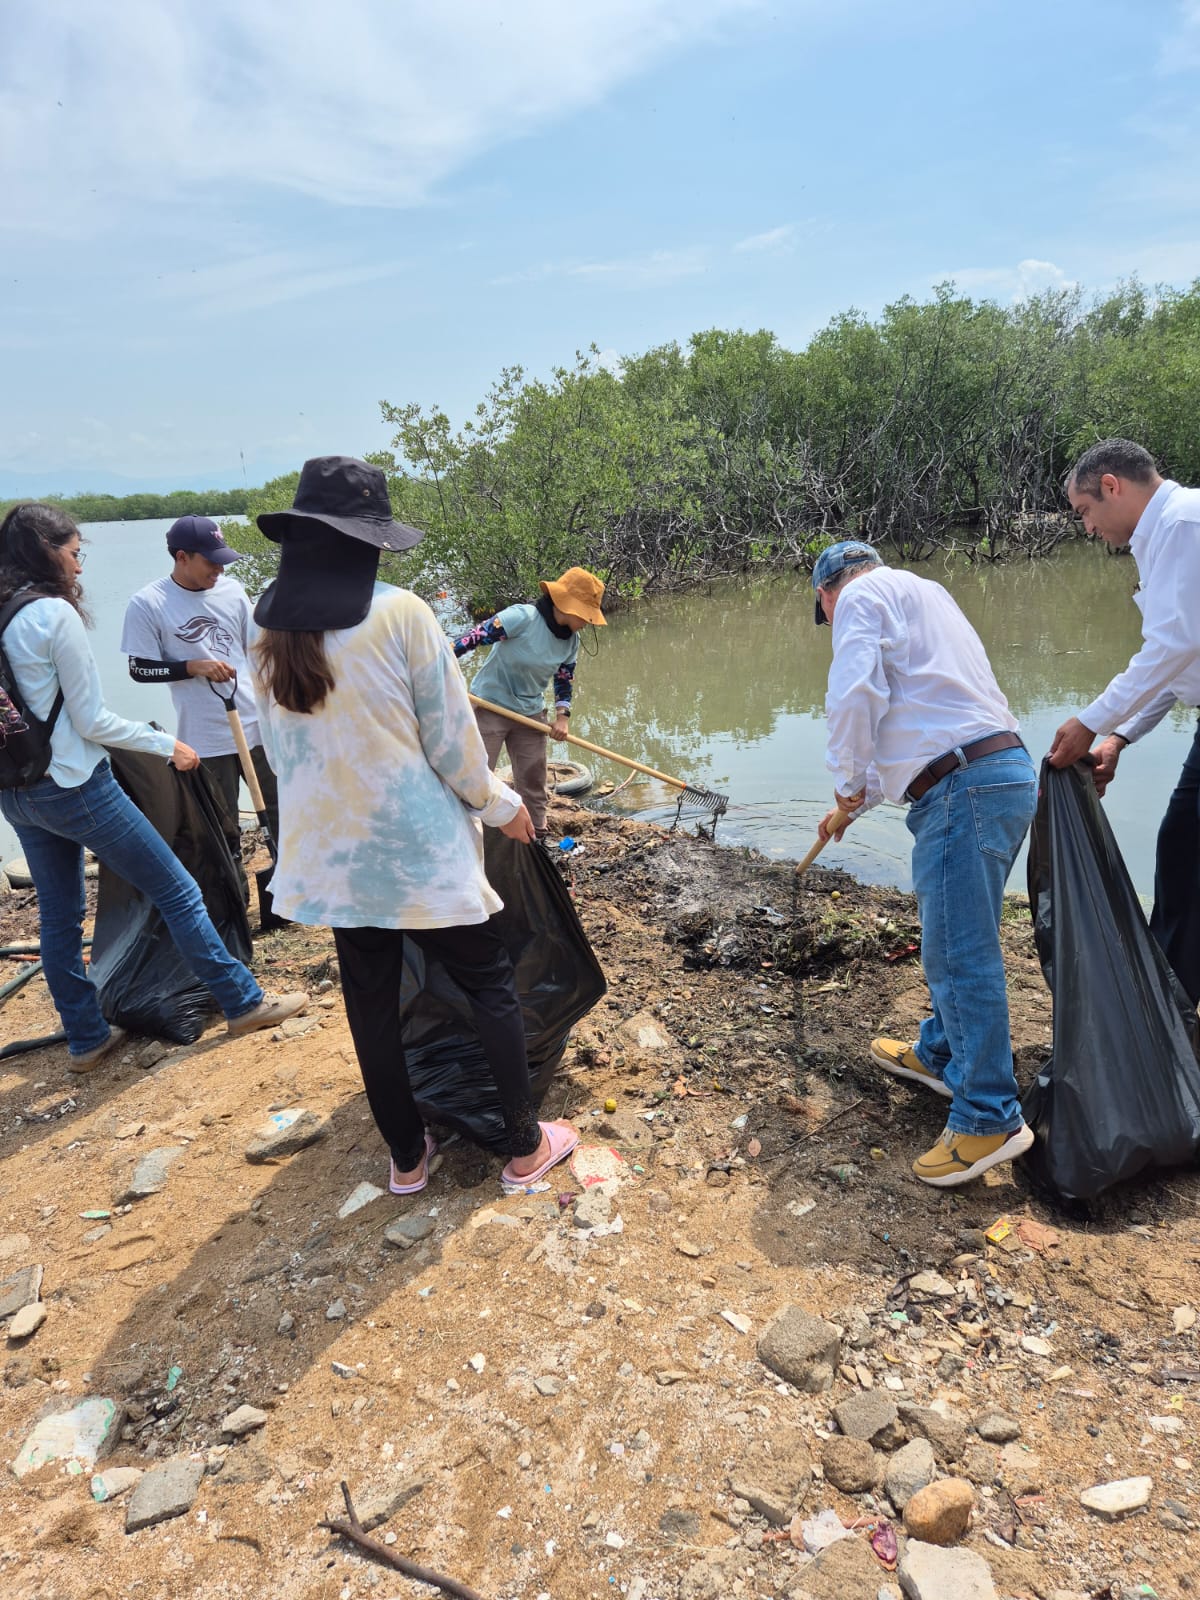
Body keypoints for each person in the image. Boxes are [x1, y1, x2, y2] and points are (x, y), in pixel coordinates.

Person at [251, 455, 580, 1195]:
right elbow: (454, 747)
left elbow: (278, 752)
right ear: (362, 541)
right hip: (414, 853)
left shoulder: (263, 622)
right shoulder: (401, 612)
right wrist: (505, 808)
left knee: (370, 1004)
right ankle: (525, 1150)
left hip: (333, 859)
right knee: (489, 983)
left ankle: (405, 1157)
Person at [0, 503, 307, 1071]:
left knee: (60, 918)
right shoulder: (53, 615)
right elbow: (92, 720)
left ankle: (86, 1039)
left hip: (17, 793)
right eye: (74, 553)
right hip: (76, 786)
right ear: (45, 552)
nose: (79, 567)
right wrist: (167, 744)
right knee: (179, 890)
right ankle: (244, 1003)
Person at [812, 539, 1038, 1186]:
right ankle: (940, 1053)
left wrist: (845, 780)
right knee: (956, 934)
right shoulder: (925, 592)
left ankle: (988, 1115)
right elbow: (918, 719)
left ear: (827, 594)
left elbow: (855, 696)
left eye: (823, 612)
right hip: (998, 771)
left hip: (961, 787)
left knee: (959, 952)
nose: (830, 619)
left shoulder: (858, 598)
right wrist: (853, 806)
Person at [1049, 439, 1200, 1005]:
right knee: (1181, 849)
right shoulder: (1158, 536)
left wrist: (1091, 722)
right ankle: (1171, 1008)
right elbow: (1179, 660)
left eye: (1085, 510)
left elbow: (1174, 646)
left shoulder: (1184, 525)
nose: (1087, 527)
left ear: (1111, 486)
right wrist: (1118, 736)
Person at [121, 514, 279, 855]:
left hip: (256, 727)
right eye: (211, 561)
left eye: (222, 560)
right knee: (222, 832)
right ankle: (233, 888)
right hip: (205, 739)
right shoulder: (149, 603)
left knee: (282, 818)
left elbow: (256, 652)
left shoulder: (232, 591)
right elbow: (139, 669)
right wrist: (192, 667)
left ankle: (288, 883)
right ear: (182, 557)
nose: (219, 569)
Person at [452, 567, 606, 838]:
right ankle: (465, 835)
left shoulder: (571, 642)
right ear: (568, 606)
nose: (588, 622)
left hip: (530, 713)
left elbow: (564, 680)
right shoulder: (521, 617)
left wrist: (562, 717)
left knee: (534, 781)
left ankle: (536, 838)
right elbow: (470, 640)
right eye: (586, 615)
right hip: (489, 705)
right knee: (476, 775)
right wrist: (437, 669)